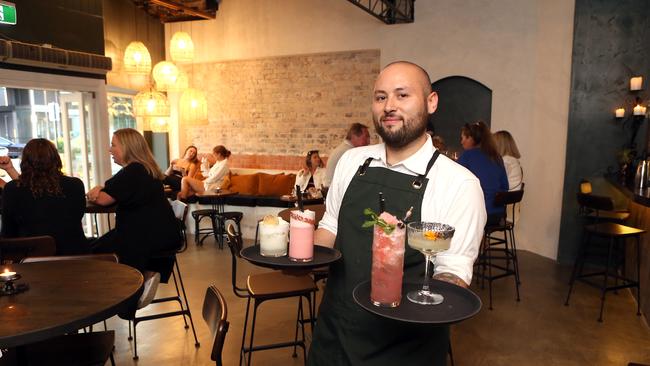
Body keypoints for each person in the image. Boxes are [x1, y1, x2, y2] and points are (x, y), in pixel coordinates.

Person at [308, 61, 486, 366]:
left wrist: (425, 300)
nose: (389, 106)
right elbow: (329, 228)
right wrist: (298, 257)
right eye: (380, 97)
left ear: (431, 102)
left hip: (405, 347)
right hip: (334, 334)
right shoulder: (352, 162)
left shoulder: (459, 184)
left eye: (402, 95)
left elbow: (452, 273)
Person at [87, 128, 181, 275]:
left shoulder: (133, 171)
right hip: (161, 233)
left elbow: (102, 199)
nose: (109, 149)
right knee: (96, 245)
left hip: (145, 237)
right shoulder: (144, 168)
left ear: (126, 148)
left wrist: (97, 189)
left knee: (91, 252)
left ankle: (126, 289)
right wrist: (102, 188)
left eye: (113, 145)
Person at [1, 139, 88, 255]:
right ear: (56, 158)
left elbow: (8, 232)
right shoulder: (75, 185)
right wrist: (10, 170)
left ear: (25, 161)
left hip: (29, 258)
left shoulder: (12, 189)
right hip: (74, 256)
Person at [458, 121, 509, 225]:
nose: (461, 142)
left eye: (463, 138)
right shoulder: (497, 157)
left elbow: (454, 184)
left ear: (471, 138)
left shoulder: (467, 156)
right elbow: (505, 186)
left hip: (478, 214)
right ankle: (482, 240)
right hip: (497, 215)